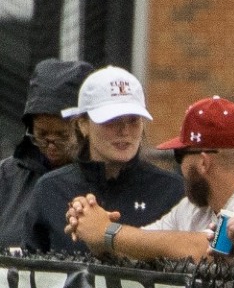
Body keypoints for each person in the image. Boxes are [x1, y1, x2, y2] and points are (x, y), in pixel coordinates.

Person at [67, 95, 234, 261]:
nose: (180, 166)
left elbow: (208, 251)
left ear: (203, 162)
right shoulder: (198, 208)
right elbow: (139, 248)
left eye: (180, 154)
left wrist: (109, 232)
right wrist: (94, 230)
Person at [16, 66, 182, 253]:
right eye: (111, 120)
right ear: (83, 125)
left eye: (134, 120)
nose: (124, 131)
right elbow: (28, 272)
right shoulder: (51, 189)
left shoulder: (172, 191)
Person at [0, 58, 90, 246]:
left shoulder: (106, 179)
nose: (50, 145)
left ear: (86, 128)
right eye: (41, 134)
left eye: (62, 135)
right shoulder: (6, 177)